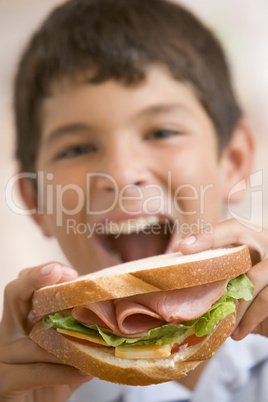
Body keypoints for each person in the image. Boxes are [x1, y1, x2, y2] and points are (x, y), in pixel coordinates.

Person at [1, 0, 268, 401]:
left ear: (233, 162)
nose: (123, 175)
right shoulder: (29, 388)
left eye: (161, 132)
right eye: (76, 149)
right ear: (35, 199)